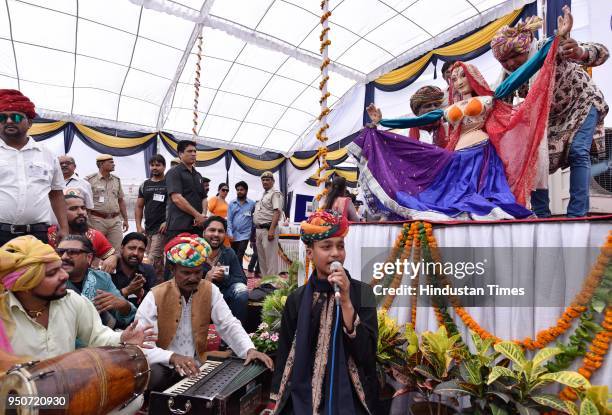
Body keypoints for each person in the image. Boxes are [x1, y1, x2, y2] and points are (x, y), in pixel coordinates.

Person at [357, 13, 570, 221]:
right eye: (454, 78)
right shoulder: (449, 109)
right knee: (450, 201)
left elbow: (521, 74)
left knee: (484, 201)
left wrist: (555, 40)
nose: (458, 81)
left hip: (482, 156)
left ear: (472, 75)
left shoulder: (489, 98)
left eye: (462, 76)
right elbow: (418, 120)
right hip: (458, 158)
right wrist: (384, 121)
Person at [490, 10, 609, 218]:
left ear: (527, 48)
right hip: (549, 120)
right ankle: (540, 215)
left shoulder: (550, 48)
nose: (509, 64)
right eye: (504, 60)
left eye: (514, 56)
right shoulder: (508, 80)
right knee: (535, 160)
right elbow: (498, 108)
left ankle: (576, 214)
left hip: (582, 103)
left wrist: (579, 51)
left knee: (578, 152)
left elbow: (602, 52)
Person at [135, 233, 273, 393]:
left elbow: (228, 324)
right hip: (162, 365)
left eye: (197, 272)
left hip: (196, 363)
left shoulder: (210, 290)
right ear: (173, 269)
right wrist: (172, 357)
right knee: (153, 376)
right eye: (186, 273)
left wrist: (249, 349)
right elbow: (142, 346)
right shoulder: (155, 296)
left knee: (232, 376)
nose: (193, 278)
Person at [272, 210, 378, 414]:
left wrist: (346, 300)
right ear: (310, 253)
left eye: (340, 246)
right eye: (326, 246)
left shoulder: (362, 292)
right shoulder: (297, 299)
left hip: (351, 393)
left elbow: (367, 354)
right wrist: (275, 397)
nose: (336, 253)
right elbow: (285, 353)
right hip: (302, 395)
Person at [0, 235, 155, 356]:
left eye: (60, 268)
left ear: (89, 258)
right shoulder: (3, 314)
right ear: (25, 284)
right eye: (52, 273)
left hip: (71, 384)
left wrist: (122, 338)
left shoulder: (73, 300)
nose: (64, 276)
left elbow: (97, 336)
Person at [0, 89, 68, 246]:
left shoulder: (46, 154)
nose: (9, 121)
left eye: (16, 117)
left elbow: (56, 194)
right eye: (3, 117)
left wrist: (64, 228)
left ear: (29, 123)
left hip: (36, 235)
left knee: (35, 271)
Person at [59, 235, 136, 330]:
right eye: (60, 252)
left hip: (99, 340)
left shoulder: (102, 278)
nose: (64, 257)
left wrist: (123, 305)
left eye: (72, 252)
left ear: (89, 257)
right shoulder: (49, 280)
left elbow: (127, 314)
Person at [48, 194, 118, 273]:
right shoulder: (48, 234)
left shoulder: (94, 235)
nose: (81, 212)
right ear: (60, 212)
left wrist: (113, 258)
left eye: (83, 208)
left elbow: (113, 255)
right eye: (73, 209)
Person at [201, 216, 249, 325]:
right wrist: (206, 279)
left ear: (225, 234)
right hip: (197, 297)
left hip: (222, 296)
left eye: (220, 231)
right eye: (212, 230)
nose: (216, 234)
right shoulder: (193, 252)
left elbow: (241, 279)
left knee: (241, 290)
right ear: (204, 232)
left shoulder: (228, 253)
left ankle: (232, 337)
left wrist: (224, 278)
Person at [85, 154, 129, 251]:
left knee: (117, 251)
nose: (114, 164)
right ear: (101, 164)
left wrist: (125, 219)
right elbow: (84, 201)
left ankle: (114, 266)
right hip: (96, 220)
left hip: (115, 220)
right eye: (111, 162)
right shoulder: (89, 180)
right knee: (95, 249)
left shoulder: (116, 180)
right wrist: (86, 220)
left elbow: (121, 200)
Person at [165, 140, 206, 241]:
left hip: (197, 226)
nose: (193, 154)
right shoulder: (174, 172)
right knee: (178, 256)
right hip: (179, 226)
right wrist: (197, 215)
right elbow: (177, 198)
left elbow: (204, 198)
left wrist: (203, 215)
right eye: (190, 151)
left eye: (195, 151)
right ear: (180, 154)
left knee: (197, 256)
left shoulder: (198, 175)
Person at [135, 154, 168, 278]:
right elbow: (139, 206)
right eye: (152, 165)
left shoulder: (169, 183)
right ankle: (158, 284)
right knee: (156, 261)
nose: (155, 168)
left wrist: (167, 221)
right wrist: (138, 226)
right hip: (148, 228)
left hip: (161, 229)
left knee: (151, 259)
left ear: (164, 167)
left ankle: (145, 283)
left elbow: (173, 205)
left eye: (158, 165)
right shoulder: (145, 185)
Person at [111, 232, 158, 307]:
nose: (136, 253)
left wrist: (141, 293)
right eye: (131, 248)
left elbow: (157, 301)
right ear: (122, 248)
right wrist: (127, 291)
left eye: (141, 250)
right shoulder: (110, 270)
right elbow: (103, 303)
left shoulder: (148, 270)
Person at [253, 171, 283, 277]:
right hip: (259, 230)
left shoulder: (275, 193)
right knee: (262, 259)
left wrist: (271, 230)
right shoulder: (264, 195)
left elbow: (277, 212)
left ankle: (272, 285)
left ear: (273, 181)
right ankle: (265, 282)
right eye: (263, 180)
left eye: (267, 180)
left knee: (270, 259)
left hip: (268, 229)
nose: (265, 182)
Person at [227, 181, 256, 267]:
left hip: (245, 234)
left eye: (241, 190)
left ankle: (239, 274)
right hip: (234, 234)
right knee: (234, 255)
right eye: (238, 190)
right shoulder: (232, 203)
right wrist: (230, 233)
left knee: (240, 254)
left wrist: (253, 235)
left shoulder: (252, 204)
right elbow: (229, 220)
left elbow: (254, 218)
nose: (239, 191)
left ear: (246, 191)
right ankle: (237, 273)